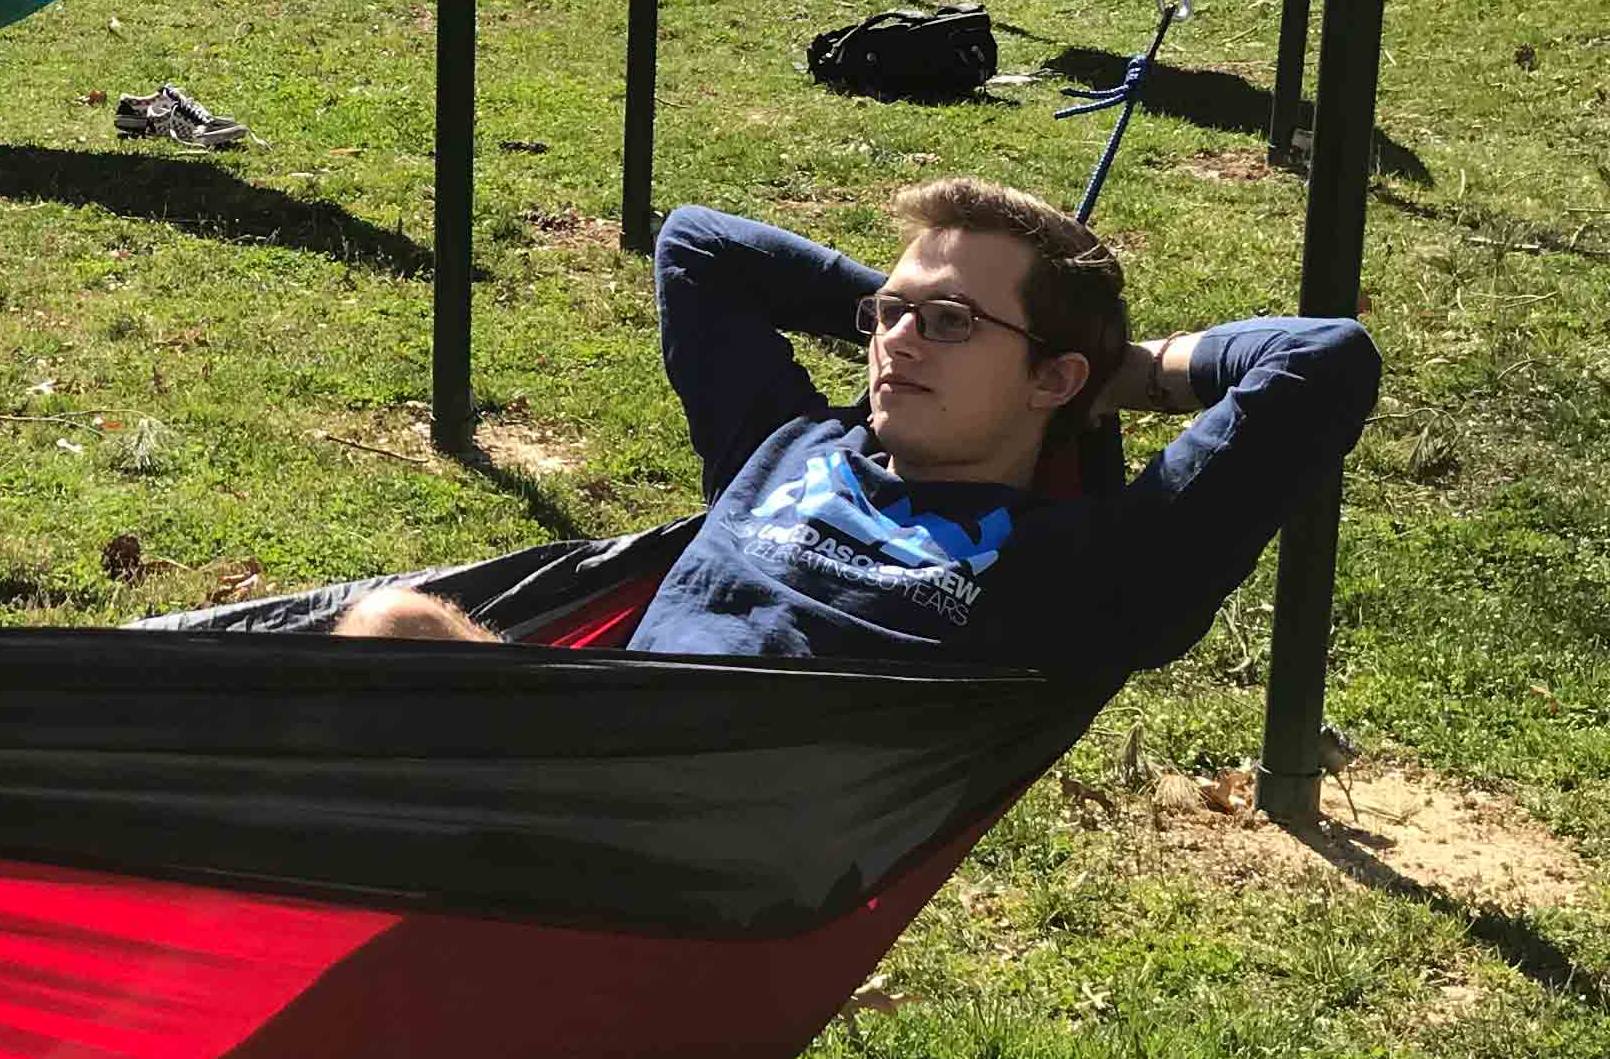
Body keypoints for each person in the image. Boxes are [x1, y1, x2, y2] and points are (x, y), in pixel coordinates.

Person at [337, 181, 1379, 673]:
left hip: (675, 838)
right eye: (887, 316)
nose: (893, 344)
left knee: (393, 634)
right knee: (363, 642)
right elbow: (699, 246)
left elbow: (1321, 357)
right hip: (549, 758)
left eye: (949, 323)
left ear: (1053, 379)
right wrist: (914, 310)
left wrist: (1134, 374)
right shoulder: (786, 447)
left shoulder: (1094, 572)